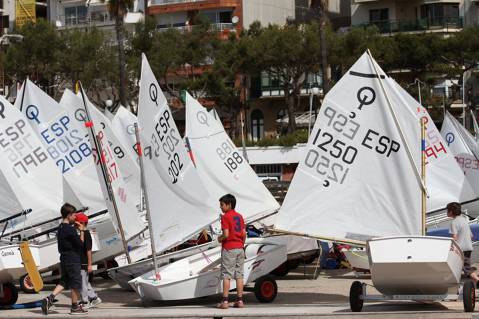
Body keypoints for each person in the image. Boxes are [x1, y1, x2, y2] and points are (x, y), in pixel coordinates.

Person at [42, 203, 87, 315]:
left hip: (64, 258)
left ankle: (49, 298)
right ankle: (75, 307)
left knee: (64, 281)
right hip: (72, 259)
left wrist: (75, 230)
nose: (75, 217)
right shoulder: (70, 230)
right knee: (75, 283)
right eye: (74, 215)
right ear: (68, 215)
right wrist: (81, 231)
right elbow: (81, 245)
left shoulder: (61, 228)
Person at [216, 194, 246, 309]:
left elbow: (226, 234)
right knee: (239, 275)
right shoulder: (240, 216)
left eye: (222, 205)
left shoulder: (225, 217)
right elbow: (243, 234)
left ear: (229, 205)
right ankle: (240, 301)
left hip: (229, 248)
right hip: (240, 248)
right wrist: (242, 245)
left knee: (226, 275)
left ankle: (224, 302)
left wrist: (219, 238)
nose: (220, 207)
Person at [447, 202, 479, 285]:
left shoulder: (453, 222)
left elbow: (455, 237)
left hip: (461, 249)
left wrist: (449, 246)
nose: (446, 212)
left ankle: (477, 280)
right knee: (462, 267)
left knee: (466, 268)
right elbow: (471, 235)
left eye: (447, 210)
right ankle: (475, 283)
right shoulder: (464, 219)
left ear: (451, 212)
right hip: (468, 247)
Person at [75, 213, 102, 309]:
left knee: (82, 283)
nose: (75, 226)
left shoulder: (86, 234)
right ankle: (94, 298)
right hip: (81, 262)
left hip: (83, 263)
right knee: (84, 282)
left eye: (76, 224)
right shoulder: (83, 234)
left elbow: (89, 250)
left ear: (81, 223)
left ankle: (85, 302)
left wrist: (90, 264)